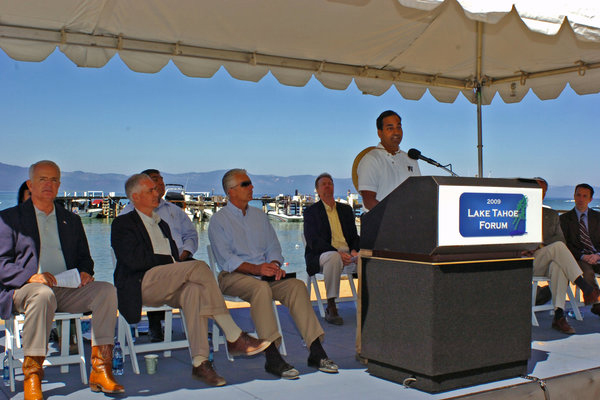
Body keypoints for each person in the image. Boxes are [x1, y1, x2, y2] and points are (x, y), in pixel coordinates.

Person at [111, 173, 270, 387]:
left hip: (167, 282)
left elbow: (174, 257)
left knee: (194, 291)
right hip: (140, 285)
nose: (157, 192)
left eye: (156, 189)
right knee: (199, 267)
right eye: (151, 190)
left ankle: (200, 362)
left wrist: (173, 265)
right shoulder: (123, 224)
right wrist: (171, 264)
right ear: (136, 197)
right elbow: (133, 260)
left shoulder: (162, 224)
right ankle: (233, 334)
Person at [0, 160, 124, 399]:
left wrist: (86, 273)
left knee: (106, 291)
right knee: (41, 293)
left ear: (59, 185)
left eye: (54, 180)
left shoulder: (71, 220)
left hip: (65, 288)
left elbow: (85, 259)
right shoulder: (9, 219)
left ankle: (100, 370)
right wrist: (30, 277)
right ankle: (33, 376)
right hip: (24, 290)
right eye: (43, 179)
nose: (49, 184)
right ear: (30, 184)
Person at [208, 169, 338, 380]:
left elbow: (274, 248)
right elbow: (226, 260)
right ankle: (272, 355)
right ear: (231, 191)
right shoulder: (218, 221)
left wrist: (275, 264)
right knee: (260, 289)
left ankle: (316, 350)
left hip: (264, 275)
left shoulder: (259, 216)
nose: (252, 187)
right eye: (246, 184)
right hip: (233, 277)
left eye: (250, 183)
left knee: (296, 286)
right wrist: (257, 269)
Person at [120, 168, 198, 342]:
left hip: (180, 259)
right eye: (155, 181)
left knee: (197, 272)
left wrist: (185, 253)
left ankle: (200, 323)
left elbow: (191, 235)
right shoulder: (126, 217)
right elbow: (131, 255)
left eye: (161, 180)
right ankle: (156, 325)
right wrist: (170, 261)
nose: (159, 184)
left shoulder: (174, 211)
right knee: (196, 269)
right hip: (150, 269)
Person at [526, 178, 600, 334]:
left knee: (558, 265)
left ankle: (559, 316)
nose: (540, 193)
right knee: (559, 248)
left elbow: (559, 240)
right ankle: (584, 285)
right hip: (528, 260)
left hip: (548, 258)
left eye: (543, 191)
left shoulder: (551, 215)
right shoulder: (515, 211)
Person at [303, 173, 359, 325]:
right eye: (324, 184)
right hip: (323, 255)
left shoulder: (346, 210)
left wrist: (354, 251)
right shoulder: (311, 212)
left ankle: (369, 302)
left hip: (348, 254)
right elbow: (313, 241)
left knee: (368, 257)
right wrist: (338, 253)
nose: (328, 186)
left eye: (330, 183)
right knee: (334, 257)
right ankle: (331, 305)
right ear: (318, 191)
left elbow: (354, 236)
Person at [356, 110, 421, 211]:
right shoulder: (371, 159)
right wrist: (394, 217)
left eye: (398, 127)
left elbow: (418, 194)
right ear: (380, 133)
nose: (396, 132)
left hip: (409, 223)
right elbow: (368, 200)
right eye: (390, 128)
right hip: (380, 224)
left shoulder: (411, 159)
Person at [560, 183, 600, 316]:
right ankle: (596, 304)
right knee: (587, 272)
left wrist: (598, 255)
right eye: (578, 195)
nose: (581, 198)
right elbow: (565, 245)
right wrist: (583, 256)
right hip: (579, 257)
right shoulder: (564, 219)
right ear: (574, 196)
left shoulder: (598, 218)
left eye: (585, 196)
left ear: (590, 199)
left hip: (597, 256)